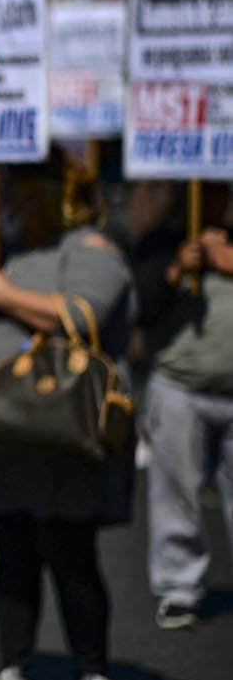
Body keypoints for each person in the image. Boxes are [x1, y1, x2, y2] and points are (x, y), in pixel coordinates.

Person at [0, 148, 135, 680]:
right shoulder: (2, 248)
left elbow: (85, 314)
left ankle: (91, 669)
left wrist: (5, 293)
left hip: (59, 434)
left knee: (72, 554)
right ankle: (13, 663)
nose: (15, 203)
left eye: (25, 191)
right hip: (3, 437)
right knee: (14, 553)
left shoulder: (88, 248)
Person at [133, 184, 233, 630]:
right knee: (175, 492)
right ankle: (178, 586)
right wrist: (176, 268)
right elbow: (139, 305)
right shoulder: (163, 239)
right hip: (179, 385)